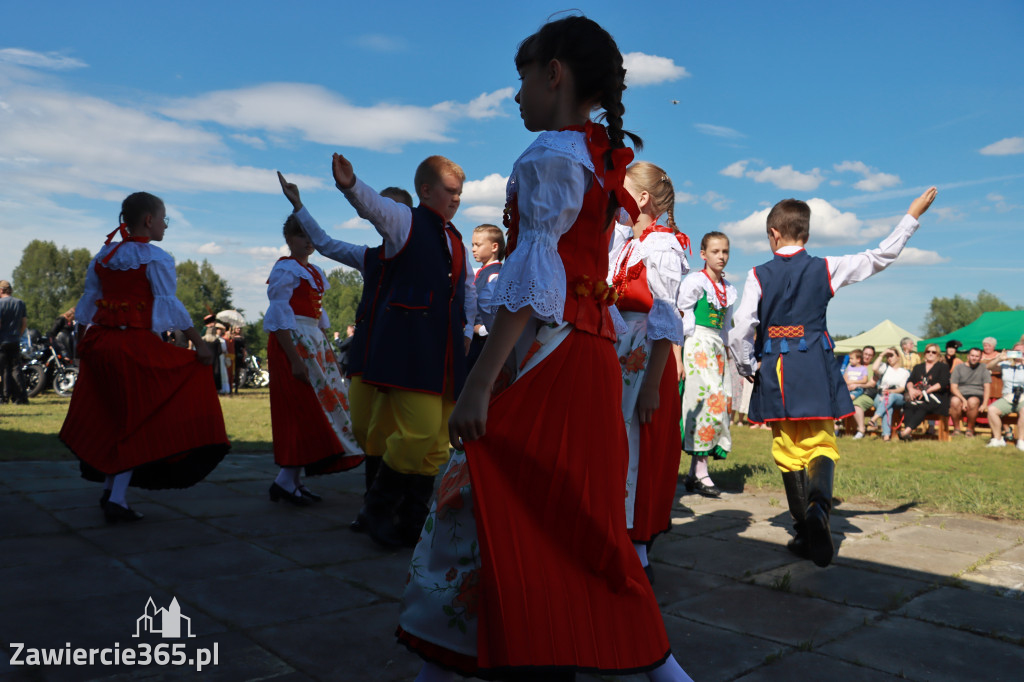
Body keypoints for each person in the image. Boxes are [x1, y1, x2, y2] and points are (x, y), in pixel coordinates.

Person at [399, 15, 693, 682]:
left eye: (522, 78)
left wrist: (480, 383)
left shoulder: (550, 157)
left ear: (553, 73)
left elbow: (533, 283)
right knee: (583, 518)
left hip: (553, 356)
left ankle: (454, 660)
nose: (515, 94)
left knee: (479, 497)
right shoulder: (591, 157)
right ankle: (652, 663)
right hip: (592, 358)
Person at [730, 186, 937, 568]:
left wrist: (747, 367)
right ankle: (818, 514)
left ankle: (803, 528)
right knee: (821, 442)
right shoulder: (826, 267)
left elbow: (742, 327)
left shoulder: (757, 274)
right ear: (805, 234)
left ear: (773, 233)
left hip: (776, 366)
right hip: (816, 365)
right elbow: (881, 256)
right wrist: (912, 216)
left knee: (787, 449)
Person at [331, 154, 477, 549]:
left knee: (435, 444)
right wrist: (350, 186)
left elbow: (468, 290)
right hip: (412, 348)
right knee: (417, 433)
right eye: (450, 191)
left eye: (460, 193)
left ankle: (411, 521)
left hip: (444, 351)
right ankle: (377, 509)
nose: (457, 199)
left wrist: (465, 330)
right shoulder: (405, 219)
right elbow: (374, 208)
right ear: (425, 190)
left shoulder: (455, 239)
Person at [59, 192, 229, 522]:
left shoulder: (105, 255)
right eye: (164, 218)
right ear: (149, 220)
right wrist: (200, 344)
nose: (166, 224)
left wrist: (82, 346)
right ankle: (117, 498)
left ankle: (111, 489)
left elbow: (87, 306)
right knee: (138, 418)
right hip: (131, 347)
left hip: (100, 345)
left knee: (114, 416)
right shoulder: (155, 258)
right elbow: (169, 305)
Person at [275, 172, 412, 528]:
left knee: (410, 428)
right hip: (371, 350)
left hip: (412, 351)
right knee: (368, 426)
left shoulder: (431, 252)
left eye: (394, 210)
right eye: (381, 208)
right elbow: (325, 242)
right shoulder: (369, 258)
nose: (386, 216)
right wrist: (299, 205)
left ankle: (405, 504)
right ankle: (374, 504)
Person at [608, 160, 689, 576]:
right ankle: (615, 529)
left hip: (642, 362)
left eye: (619, 187)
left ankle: (636, 544)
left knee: (635, 441)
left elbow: (665, 320)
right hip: (621, 355)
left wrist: (652, 385)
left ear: (641, 198)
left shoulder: (662, 247)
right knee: (617, 440)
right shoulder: (629, 242)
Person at [679, 231, 736, 497]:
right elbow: (681, 318)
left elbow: (725, 328)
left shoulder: (728, 289)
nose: (721, 256)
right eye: (715, 251)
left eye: (725, 251)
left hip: (716, 348)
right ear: (703, 254)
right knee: (704, 402)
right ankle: (701, 471)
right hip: (697, 343)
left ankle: (694, 472)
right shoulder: (695, 282)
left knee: (720, 400)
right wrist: (678, 354)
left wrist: (727, 355)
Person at [467, 224, 505, 369]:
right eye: (472, 244)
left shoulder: (495, 275)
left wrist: (482, 329)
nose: (473, 249)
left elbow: (498, 311)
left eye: (478, 244)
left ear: (494, 247)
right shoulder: (481, 272)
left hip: (484, 341)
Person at [898, 343, 951, 440]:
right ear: (925, 353)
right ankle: (907, 434)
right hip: (918, 396)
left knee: (923, 406)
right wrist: (911, 390)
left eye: (934, 352)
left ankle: (906, 431)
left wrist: (925, 392)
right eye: (928, 351)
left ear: (938, 354)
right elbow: (910, 381)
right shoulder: (918, 367)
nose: (930, 354)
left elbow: (942, 383)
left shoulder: (943, 367)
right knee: (909, 405)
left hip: (937, 398)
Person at [984, 343, 1024, 450]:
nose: (1018, 354)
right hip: (1007, 397)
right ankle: (998, 439)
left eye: (1020, 351)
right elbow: (988, 367)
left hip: (1023, 397)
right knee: (992, 410)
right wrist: (999, 359)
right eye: (1015, 351)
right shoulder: (1006, 364)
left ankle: (1021, 441)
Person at [871, 347, 910, 441]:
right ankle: (886, 436)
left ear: (898, 357)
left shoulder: (904, 372)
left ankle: (874, 418)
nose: (889, 358)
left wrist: (891, 392)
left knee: (890, 398)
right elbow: (874, 368)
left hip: (897, 396)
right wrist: (881, 354)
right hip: (881, 396)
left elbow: (902, 388)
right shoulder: (884, 368)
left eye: (891, 355)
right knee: (888, 407)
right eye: (887, 356)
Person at [950, 347, 990, 436]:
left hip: (977, 395)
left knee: (972, 401)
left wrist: (985, 404)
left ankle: (970, 429)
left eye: (977, 356)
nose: (974, 358)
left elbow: (987, 387)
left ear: (980, 358)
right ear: (968, 356)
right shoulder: (958, 367)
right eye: (972, 355)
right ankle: (956, 429)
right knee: (954, 401)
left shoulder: (983, 368)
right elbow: (953, 387)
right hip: (960, 394)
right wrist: (963, 400)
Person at [0, 279, 29, 405]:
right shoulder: (20, 303)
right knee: (16, 368)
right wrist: (19, 335)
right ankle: (20, 397)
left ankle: (4, 397)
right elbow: (24, 323)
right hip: (15, 339)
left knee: (3, 369)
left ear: (1, 290)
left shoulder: (0, 303)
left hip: (2, 340)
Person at [231, 326, 246, 392]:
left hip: (239, 355)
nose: (239, 329)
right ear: (234, 329)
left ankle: (236, 388)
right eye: (237, 328)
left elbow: (244, 348)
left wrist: (244, 356)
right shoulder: (231, 337)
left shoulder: (242, 338)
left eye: (240, 328)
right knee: (231, 372)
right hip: (232, 354)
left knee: (237, 372)